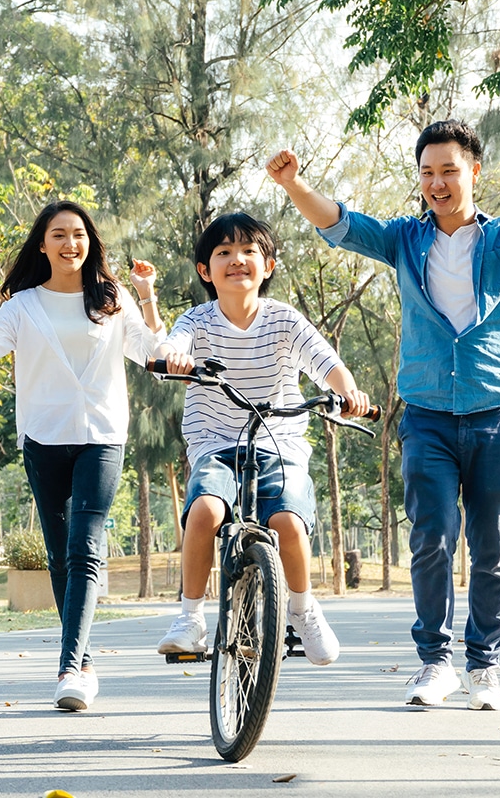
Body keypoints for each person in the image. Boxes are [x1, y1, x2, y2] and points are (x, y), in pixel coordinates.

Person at [267, 120, 500, 711]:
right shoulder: (405, 240)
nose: (437, 182)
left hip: (492, 410)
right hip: (428, 414)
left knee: (492, 543)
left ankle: (484, 666)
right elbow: (340, 222)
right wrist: (292, 185)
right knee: (431, 538)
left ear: (474, 172)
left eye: (449, 170)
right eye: (428, 172)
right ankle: (435, 663)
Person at [0, 200, 166, 711]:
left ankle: (68, 668)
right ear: (42, 244)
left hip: (102, 434)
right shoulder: (24, 304)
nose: (70, 243)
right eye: (59, 234)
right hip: (44, 435)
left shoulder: (111, 298)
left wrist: (147, 297)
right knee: (60, 554)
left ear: (89, 242)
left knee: (84, 544)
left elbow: (152, 355)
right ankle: (85, 658)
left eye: (78, 234)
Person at [153, 212, 371, 666]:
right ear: (204, 271)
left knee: (288, 524)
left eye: (249, 251)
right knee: (206, 511)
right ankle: (191, 618)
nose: (237, 261)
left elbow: (325, 362)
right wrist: (174, 358)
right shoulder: (198, 320)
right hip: (215, 442)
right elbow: (173, 345)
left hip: (280, 442)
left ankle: (303, 609)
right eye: (224, 253)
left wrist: (346, 391)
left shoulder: (284, 320)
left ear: (267, 265)